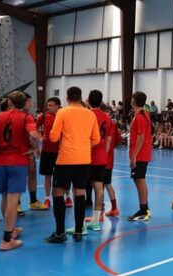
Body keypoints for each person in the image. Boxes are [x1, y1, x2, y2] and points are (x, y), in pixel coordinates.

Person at [0, 91, 41, 251]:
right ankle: (7, 240)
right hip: (18, 162)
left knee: (5, 196)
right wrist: (36, 148)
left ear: (10, 103)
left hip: (0, 162)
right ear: (23, 103)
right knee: (14, 199)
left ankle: (10, 229)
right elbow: (33, 134)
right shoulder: (26, 118)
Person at [44, 86, 100, 243]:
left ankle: (60, 232)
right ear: (80, 97)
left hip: (66, 159)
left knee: (58, 193)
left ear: (67, 98)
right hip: (84, 160)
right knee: (80, 193)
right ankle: (78, 231)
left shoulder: (62, 112)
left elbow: (53, 137)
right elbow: (96, 140)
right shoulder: (90, 114)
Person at [81, 90, 112, 233]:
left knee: (80, 187)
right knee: (99, 187)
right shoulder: (107, 117)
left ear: (88, 100)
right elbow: (109, 140)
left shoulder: (87, 115)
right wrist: (103, 154)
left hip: (87, 155)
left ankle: (79, 222)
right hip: (101, 156)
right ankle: (96, 220)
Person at [36, 97, 66, 209]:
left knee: (63, 176)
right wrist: (39, 137)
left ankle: (67, 197)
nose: (48, 108)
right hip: (47, 151)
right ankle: (47, 198)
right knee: (47, 176)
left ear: (58, 106)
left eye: (51, 105)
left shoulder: (64, 115)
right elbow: (34, 128)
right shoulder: (43, 116)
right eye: (47, 105)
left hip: (61, 151)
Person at [128, 91, 152, 221]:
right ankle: (144, 208)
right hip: (141, 154)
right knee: (138, 179)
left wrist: (134, 157)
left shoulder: (141, 117)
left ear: (134, 101)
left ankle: (144, 210)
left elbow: (141, 137)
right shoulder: (142, 115)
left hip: (140, 155)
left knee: (140, 179)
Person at [23, 93, 47, 212]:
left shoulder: (29, 116)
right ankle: (17, 203)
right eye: (28, 101)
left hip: (26, 152)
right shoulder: (26, 117)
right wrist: (39, 142)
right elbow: (32, 135)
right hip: (21, 153)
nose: (30, 104)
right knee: (21, 177)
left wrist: (35, 148)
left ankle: (32, 201)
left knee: (31, 176)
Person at [104, 118, 121, 217]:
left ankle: (99, 212)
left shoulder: (95, 119)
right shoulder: (112, 122)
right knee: (107, 184)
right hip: (109, 159)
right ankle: (114, 208)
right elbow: (118, 140)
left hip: (99, 158)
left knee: (98, 185)